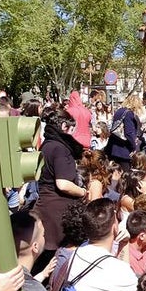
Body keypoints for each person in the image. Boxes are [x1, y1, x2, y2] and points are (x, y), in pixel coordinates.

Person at [62, 198, 138, 291]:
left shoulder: (77, 252)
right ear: (115, 227)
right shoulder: (115, 269)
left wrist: (123, 243)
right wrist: (126, 244)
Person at [35, 107, 88, 255]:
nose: (74, 135)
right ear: (64, 127)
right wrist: (83, 192)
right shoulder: (60, 148)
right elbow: (63, 184)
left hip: (46, 206)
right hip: (58, 211)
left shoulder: (47, 145)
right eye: (72, 130)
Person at [105, 93, 143, 172]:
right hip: (124, 149)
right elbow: (129, 133)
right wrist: (134, 147)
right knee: (125, 174)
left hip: (113, 146)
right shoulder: (129, 114)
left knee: (114, 172)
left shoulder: (119, 111)